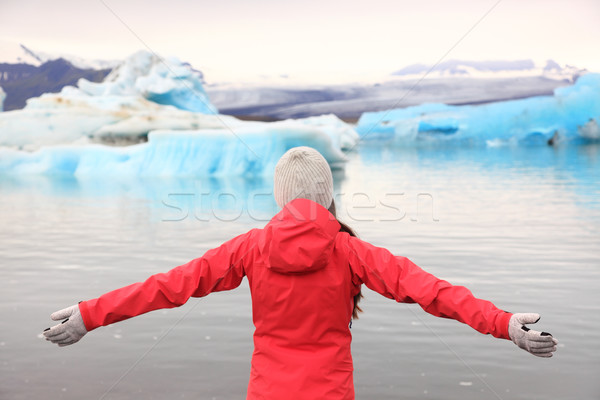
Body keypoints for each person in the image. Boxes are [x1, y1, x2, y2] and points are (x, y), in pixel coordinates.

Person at [43, 146, 558, 399]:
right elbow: (434, 293)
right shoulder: (351, 251)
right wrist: (505, 323)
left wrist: (90, 314)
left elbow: (167, 287)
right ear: (328, 196)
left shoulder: (250, 248)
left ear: (280, 197)